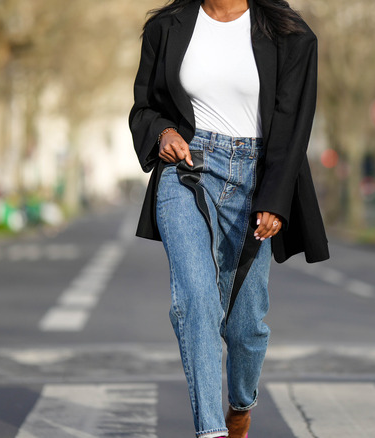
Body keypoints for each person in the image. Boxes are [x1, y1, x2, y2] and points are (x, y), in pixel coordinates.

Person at [129, 0, 328, 436]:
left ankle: (241, 404)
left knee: (245, 325)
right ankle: (211, 430)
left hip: (256, 177)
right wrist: (162, 132)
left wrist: (275, 200)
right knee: (197, 300)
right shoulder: (168, 27)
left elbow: (295, 127)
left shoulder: (290, 34)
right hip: (187, 171)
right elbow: (143, 107)